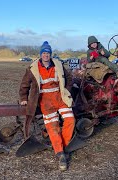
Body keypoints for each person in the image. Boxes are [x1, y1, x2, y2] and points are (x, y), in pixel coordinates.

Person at [19, 41, 75, 171]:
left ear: (50, 54)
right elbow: (24, 85)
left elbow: (69, 78)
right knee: (52, 126)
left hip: (60, 98)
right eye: (44, 53)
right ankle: (61, 154)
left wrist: (67, 91)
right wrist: (23, 98)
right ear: (41, 54)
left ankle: (62, 146)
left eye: (48, 53)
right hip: (45, 100)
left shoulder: (58, 65)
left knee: (70, 120)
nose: (46, 55)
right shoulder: (32, 68)